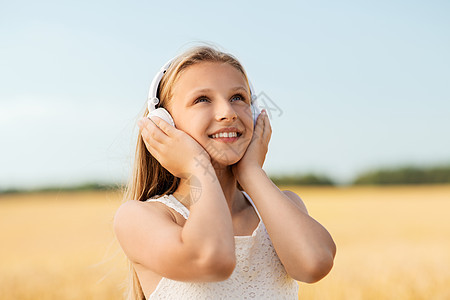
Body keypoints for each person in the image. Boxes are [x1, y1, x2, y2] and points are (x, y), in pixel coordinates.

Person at [114, 45, 336, 300]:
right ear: (164, 123)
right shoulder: (139, 218)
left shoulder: (282, 206)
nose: (228, 113)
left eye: (238, 98)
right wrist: (197, 167)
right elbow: (212, 259)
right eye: (202, 100)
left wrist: (252, 172)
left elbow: (315, 263)